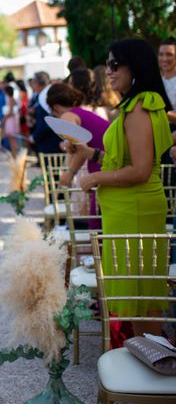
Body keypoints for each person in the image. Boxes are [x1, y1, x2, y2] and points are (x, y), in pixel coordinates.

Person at [68, 38, 172, 337]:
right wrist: (92, 155)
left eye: (116, 64)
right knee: (139, 293)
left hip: (134, 210)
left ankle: (152, 361)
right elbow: (125, 160)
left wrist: (95, 178)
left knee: (139, 294)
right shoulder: (134, 105)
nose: (109, 71)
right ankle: (150, 355)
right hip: (129, 209)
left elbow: (140, 170)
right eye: (108, 64)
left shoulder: (139, 107)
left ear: (135, 67)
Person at [47, 84, 109, 228]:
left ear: (55, 107)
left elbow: (81, 147)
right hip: (104, 164)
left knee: (96, 223)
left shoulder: (67, 116)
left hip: (103, 168)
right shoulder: (81, 112)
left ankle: (98, 251)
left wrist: (70, 173)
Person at [28, 71, 62, 154]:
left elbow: (47, 122)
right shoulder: (47, 92)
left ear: (37, 83)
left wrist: (35, 137)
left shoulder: (45, 95)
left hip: (50, 142)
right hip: (52, 139)